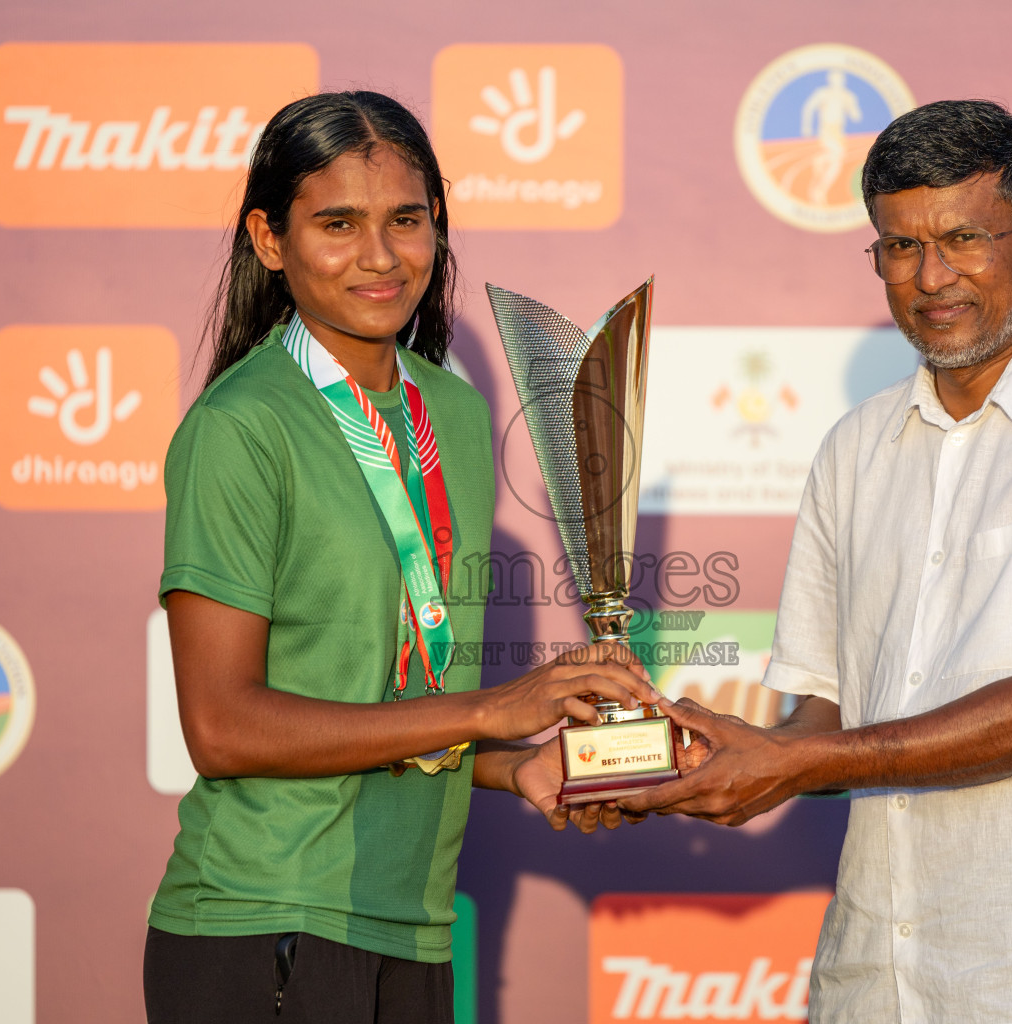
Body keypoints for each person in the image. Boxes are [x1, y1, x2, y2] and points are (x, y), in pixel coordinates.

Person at [622, 100, 1012, 1024]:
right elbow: (824, 715)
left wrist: (799, 762)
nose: (930, 277)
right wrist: (697, 758)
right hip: (870, 989)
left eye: (963, 238)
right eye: (898, 246)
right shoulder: (855, 448)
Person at [143, 91, 658, 1024]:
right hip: (265, 924)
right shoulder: (240, 426)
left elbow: (396, 700)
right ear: (269, 239)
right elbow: (223, 726)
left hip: (412, 926)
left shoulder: (452, 415)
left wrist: (517, 763)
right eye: (337, 223)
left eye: (407, 220)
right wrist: (496, 706)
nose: (380, 257)